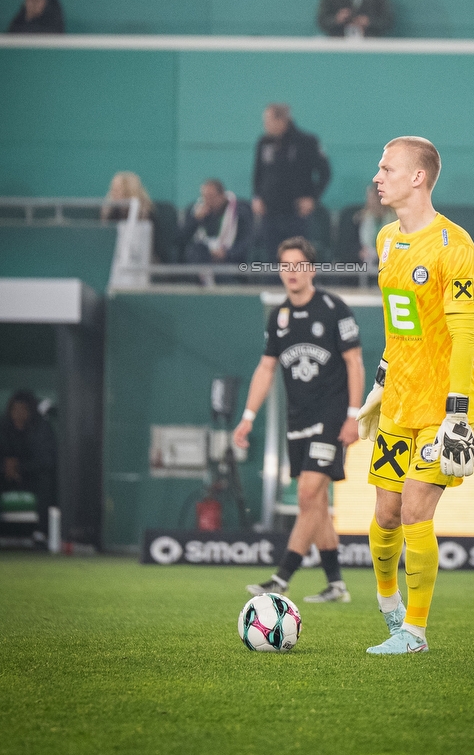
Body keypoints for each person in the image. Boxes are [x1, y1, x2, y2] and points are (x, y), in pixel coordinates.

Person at [356, 136, 474, 654]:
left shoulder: (456, 247)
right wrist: (380, 381)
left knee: (414, 511)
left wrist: (457, 415)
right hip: (400, 399)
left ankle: (414, 631)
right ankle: (388, 605)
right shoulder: (386, 239)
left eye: (387, 168)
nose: (377, 176)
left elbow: (464, 337)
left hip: (444, 404)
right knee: (385, 513)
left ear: (417, 178)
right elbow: (399, 326)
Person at [233, 236, 364, 601]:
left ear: (311, 269)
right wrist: (247, 417)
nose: (291, 272)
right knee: (316, 503)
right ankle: (336, 583)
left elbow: (355, 363)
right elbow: (265, 368)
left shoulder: (334, 308)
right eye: (285, 265)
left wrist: (353, 416)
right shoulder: (279, 317)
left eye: (298, 265)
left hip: (332, 416)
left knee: (307, 493)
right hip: (298, 419)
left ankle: (282, 577)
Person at [252, 104, 331, 263]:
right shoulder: (264, 142)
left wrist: (312, 199)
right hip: (270, 212)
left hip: (296, 213)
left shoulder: (306, 141)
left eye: (268, 121)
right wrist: (257, 196)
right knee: (272, 259)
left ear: (281, 121)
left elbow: (325, 173)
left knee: (297, 258)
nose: (265, 125)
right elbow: (258, 173)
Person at [0, 391, 57, 550]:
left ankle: (40, 534)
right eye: (15, 409)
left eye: (23, 410)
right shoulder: (0, 426)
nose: (19, 414)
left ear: (31, 412)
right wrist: (4, 468)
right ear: (10, 410)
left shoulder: (41, 428)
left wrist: (19, 467)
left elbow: (46, 460)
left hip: (29, 477)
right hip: (4, 476)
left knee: (45, 481)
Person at [178, 179, 253, 265]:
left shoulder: (240, 211)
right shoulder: (196, 211)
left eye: (211, 197)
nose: (207, 201)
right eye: (204, 197)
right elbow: (181, 240)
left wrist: (227, 254)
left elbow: (246, 241)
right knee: (195, 251)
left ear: (222, 196)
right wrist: (195, 220)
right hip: (203, 257)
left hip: (230, 259)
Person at [357, 183, 397, 268]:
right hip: (367, 263)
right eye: (368, 198)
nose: (369, 202)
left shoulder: (396, 221)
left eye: (372, 199)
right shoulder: (362, 219)